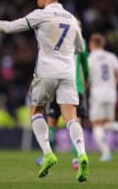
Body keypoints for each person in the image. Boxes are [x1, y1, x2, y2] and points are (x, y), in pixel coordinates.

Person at [0, 0, 89, 182]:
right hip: (68, 73)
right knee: (71, 116)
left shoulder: (41, 15)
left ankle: (48, 153)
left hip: (46, 72)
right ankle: (81, 154)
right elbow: (80, 49)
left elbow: (8, 28)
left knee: (36, 111)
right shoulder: (72, 19)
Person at [36, 39, 89, 171]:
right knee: (75, 122)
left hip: (57, 85)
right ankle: (77, 158)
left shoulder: (57, 39)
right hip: (77, 87)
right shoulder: (82, 43)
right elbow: (85, 66)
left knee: (52, 122)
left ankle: (48, 156)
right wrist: (85, 81)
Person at [87, 33, 118, 162]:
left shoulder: (90, 58)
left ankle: (106, 153)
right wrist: (113, 84)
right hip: (111, 93)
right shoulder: (111, 56)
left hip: (97, 93)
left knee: (96, 124)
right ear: (103, 44)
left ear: (91, 44)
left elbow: (86, 78)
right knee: (106, 123)